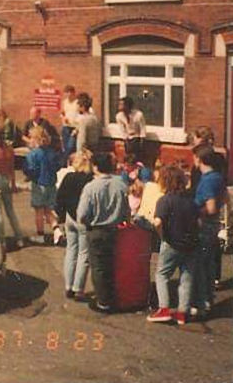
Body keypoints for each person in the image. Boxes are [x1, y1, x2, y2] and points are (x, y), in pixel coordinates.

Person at [77, 153, 130, 313]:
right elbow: (126, 210)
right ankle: (112, 295)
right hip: (115, 230)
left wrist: (88, 223)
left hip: (96, 230)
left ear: (95, 167)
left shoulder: (91, 187)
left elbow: (82, 214)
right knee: (112, 264)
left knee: (98, 267)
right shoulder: (121, 184)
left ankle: (103, 301)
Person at [147, 165, 199, 325]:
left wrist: (162, 236)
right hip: (190, 243)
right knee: (186, 277)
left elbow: (157, 222)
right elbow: (198, 222)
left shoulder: (164, 200)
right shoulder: (191, 200)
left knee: (162, 274)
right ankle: (182, 312)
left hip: (172, 242)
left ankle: (164, 309)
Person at [191, 144, 226, 317]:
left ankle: (202, 303)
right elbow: (225, 199)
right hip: (213, 226)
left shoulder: (207, 180)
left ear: (199, 159)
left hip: (204, 226)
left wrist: (194, 211)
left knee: (201, 266)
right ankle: (207, 300)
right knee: (209, 264)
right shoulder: (218, 177)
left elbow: (210, 208)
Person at [56, 150, 94, 301]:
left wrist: (60, 217)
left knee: (71, 251)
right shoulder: (90, 180)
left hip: (69, 219)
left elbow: (60, 199)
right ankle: (78, 288)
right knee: (83, 254)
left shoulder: (68, 177)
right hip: (83, 220)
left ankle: (68, 286)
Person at [24, 126, 61, 244]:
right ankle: (56, 229)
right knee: (48, 210)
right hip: (51, 183)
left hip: (39, 184)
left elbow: (30, 169)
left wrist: (30, 177)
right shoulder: (52, 152)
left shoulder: (33, 154)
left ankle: (40, 235)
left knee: (39, 211)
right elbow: (58, 166)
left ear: (35, 139)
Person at [115, 97, 146, 162]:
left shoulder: (138, 115)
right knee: (128, 158)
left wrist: (141, 142)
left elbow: (142, 129)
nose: (119, 106)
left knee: (137, 158)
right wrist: (126, 142)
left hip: (137, 138)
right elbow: (123, 131)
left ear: (127, 105)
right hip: (128, 139)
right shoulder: (119, 116)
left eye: (121, 104)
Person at [61, 85, 79, 156]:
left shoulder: (77, 103)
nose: (68, 95)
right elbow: (62, 113)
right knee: (65, 147)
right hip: (66, 127)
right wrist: (63, 118)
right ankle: (67, 163)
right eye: (66, 93)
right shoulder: (64, 102)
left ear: (73, 93)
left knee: (71, 147)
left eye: (69, 93)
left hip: (74, 127)